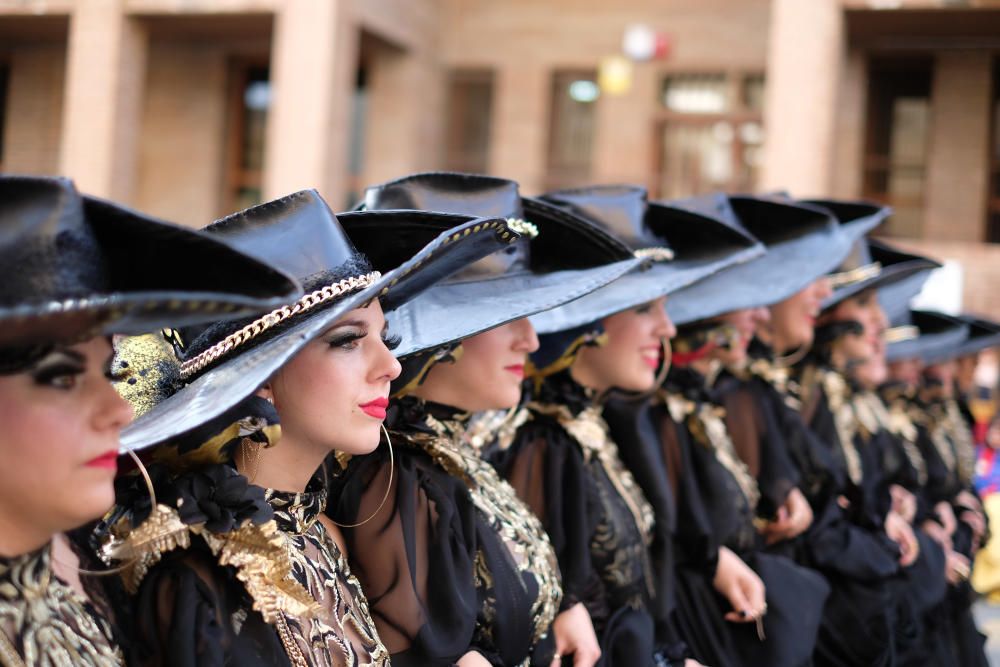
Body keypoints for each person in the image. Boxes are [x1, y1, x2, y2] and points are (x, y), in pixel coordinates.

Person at [103, 189, 517, 666]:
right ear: (259, 382)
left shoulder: (324, 531)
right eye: (347, 341)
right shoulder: (198, 574)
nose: (391, 367)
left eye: (385, 339)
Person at [328, 172, 641, 666]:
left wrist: (564, 608)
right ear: (440, 339)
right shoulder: (399, 475)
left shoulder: (447, 453)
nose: (531, 340)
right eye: (503, 315)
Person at [0, 174, 300, 665]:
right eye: (60, 378)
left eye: (109, 371)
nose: (118, 408)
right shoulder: (147, 567)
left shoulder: (80, 571)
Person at [489, 185, 764, 666]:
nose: (668, 328)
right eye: (643, 308)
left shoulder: (598, 425)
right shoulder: (543, 444)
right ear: (586, 327)